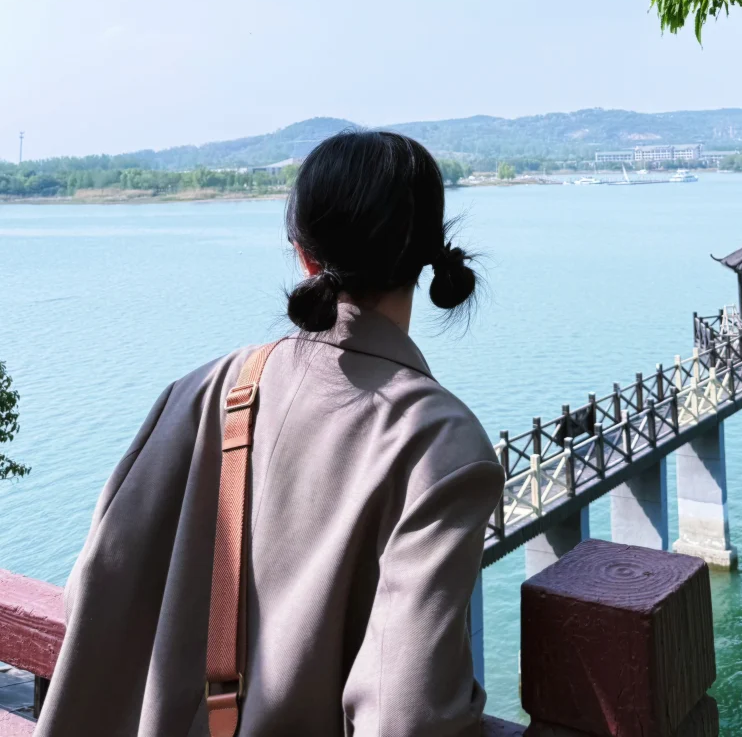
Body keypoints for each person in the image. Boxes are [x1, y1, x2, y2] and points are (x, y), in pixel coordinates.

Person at [38, 129, 503, 737]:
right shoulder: (443, 446)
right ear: (426, 257)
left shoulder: (203, 391)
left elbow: (95, 590)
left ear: (304, 255)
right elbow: (405, 715)